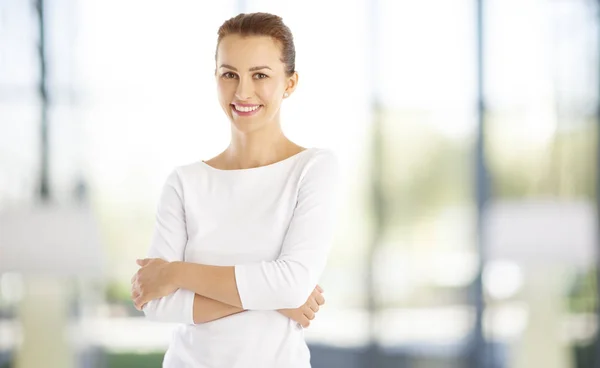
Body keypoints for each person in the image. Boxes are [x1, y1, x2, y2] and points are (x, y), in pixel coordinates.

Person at [130, 12, 339, 368]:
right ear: (215, 78)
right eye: (230, 74)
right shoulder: (185, 182)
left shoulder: (314, 169)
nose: (243, 91)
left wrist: (175, 273)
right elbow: (155, 302)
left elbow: (290, 284)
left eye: (260, 75)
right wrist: (271, 295)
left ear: (289, 84)